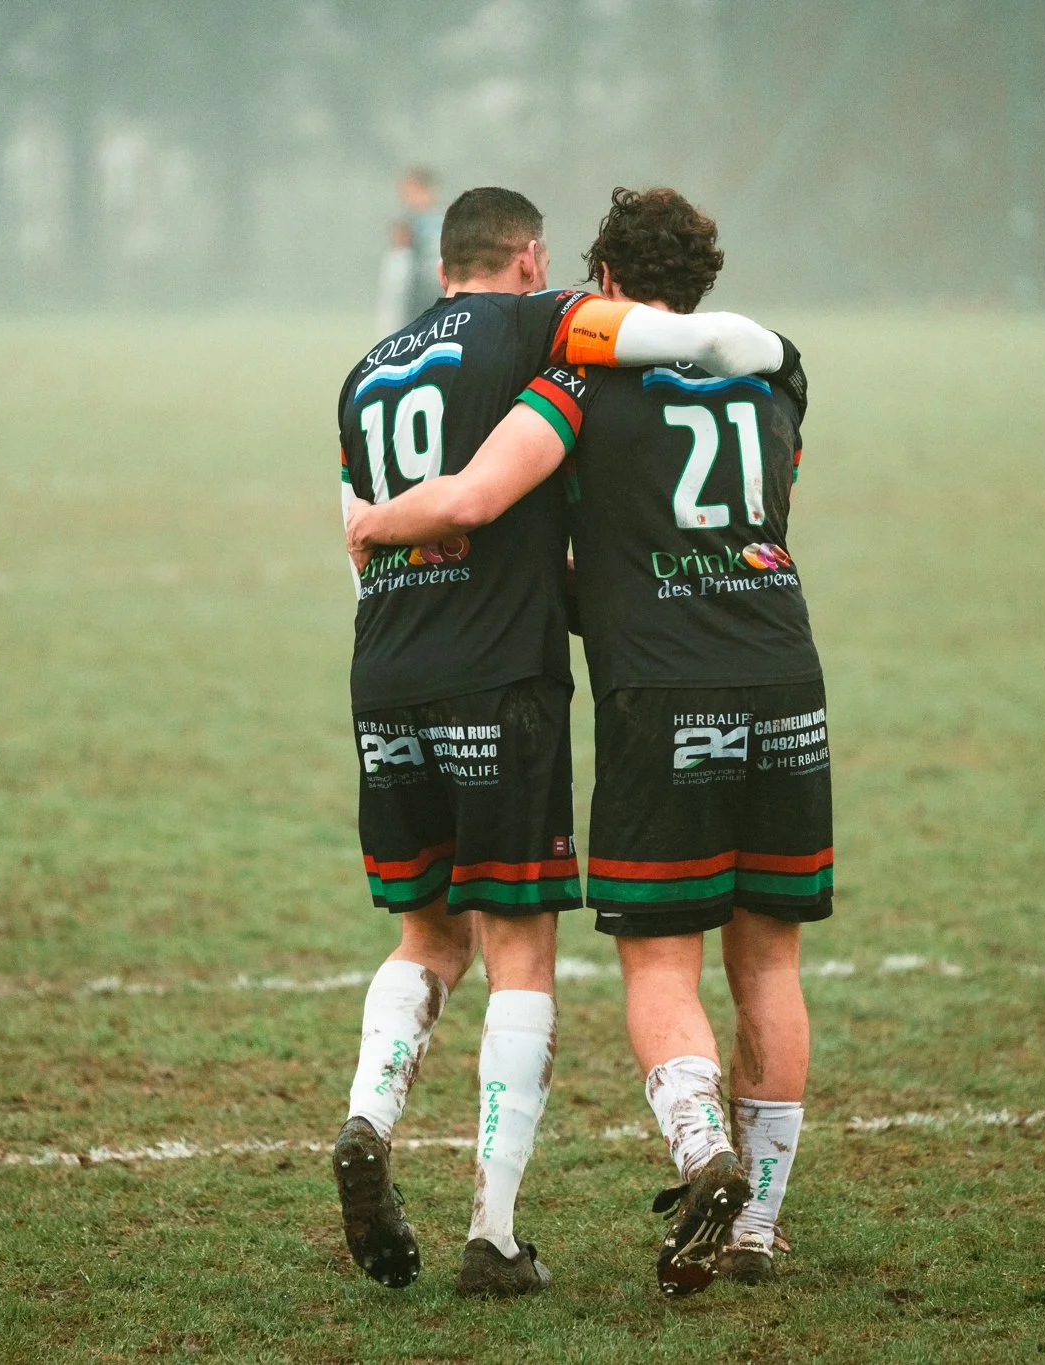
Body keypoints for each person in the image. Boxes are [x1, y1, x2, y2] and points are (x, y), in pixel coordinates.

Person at [344, 187, 822, 1297]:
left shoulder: (577, 379)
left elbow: (483, 501)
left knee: (658, 960)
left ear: (595, 275)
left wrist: (381, 526)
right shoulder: (780, 369)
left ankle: (701, 1151)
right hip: (785, 675)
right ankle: (758, 1224)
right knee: (771, 960)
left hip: (653, 692)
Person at [376, 167, 447, 335]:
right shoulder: (448, 218)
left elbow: (397, 270)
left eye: (408, 191)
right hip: (442, 293)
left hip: (419, 296)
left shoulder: (408, 224)